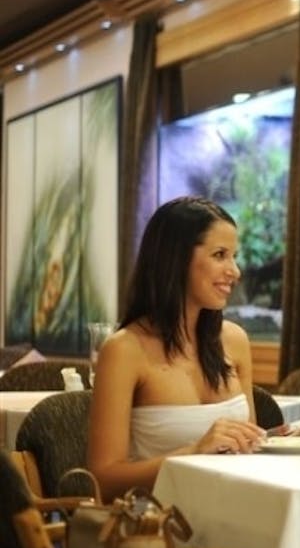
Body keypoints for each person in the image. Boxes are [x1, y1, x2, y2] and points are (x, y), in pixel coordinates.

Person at [87, 196, 265, 501]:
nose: (235, 271)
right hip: (158, 519)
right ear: (176, 259)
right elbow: (102, 480)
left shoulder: (234, 340)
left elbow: (249, 448)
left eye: (234, 256)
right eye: (220, 255)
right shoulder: (123, 350)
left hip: (235, 506)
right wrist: (193, 453)